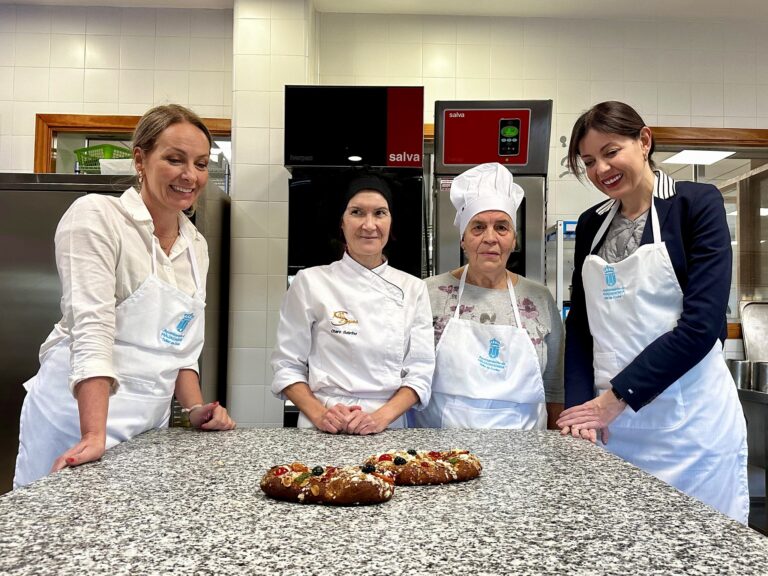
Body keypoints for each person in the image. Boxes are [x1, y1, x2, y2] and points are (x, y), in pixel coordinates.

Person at [14, 104, 235, 489]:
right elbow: (92, 329)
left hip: (147, 427)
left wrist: (196, 408)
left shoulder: (195, 245)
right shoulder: (98, 216)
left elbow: (180, 348)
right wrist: (93, 435)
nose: (190, 175)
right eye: (174, 159)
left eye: (201, 164)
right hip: (77, 418)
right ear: (140, 159)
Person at [556, 101, 748, 523]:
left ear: (643, 141)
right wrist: (579, 414)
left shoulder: (695, 204)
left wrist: (617, 397)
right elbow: (582, 327)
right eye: (588, 161)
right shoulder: (592, 223)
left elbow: (700, 327)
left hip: (689, 427)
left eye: (610, 152)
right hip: (611, 428)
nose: (600, 169)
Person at [271, 173, 435, 434]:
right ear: (341, 222)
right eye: (357, 212)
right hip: (323, 425)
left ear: (391, 222)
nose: (369, 225)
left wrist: (380, 418)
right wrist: (321, 414)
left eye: (380, 213)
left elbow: (421, 373)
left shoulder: (413, 288)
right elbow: (287, 366)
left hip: (387, 425)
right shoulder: (310, 282)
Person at [409, 162, 564, 430]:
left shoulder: (539, 299)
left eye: (502, 227)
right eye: (478, 227)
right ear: (463, 239)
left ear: (513, 240)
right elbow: (409, 378)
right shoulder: (428, 293)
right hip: (441, 452)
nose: (490, 238)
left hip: (525, 454)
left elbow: (554, 388)